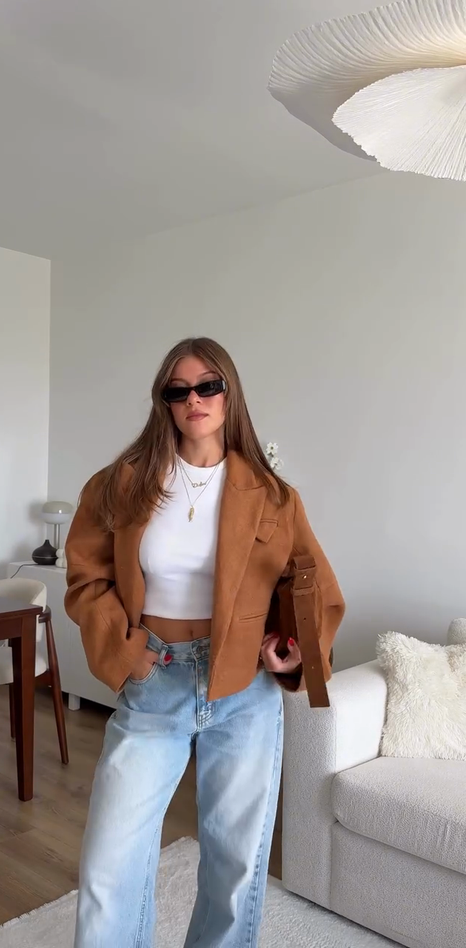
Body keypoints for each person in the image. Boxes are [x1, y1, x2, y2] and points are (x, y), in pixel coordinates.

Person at [65, 336, 345, 948]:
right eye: (178, 390)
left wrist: (292, 645)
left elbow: (310, 584)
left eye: (207, 386)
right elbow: (87, 577)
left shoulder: (273, 495)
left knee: (235, 865)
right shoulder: (123, 484)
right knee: (110, 860)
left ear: (229, 393)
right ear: (164, 402)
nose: (194, 399)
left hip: (244, 690)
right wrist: (125, 649)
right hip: (154, 679)